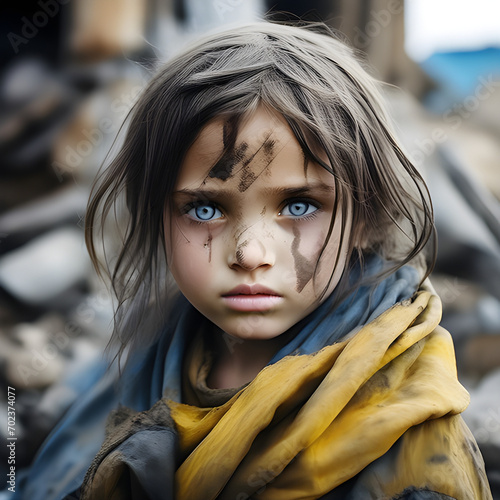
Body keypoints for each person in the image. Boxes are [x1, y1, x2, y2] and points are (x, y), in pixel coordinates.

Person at [12, 21, 492, 500]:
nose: (249, 254)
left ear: (364, 216)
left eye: (299, 205)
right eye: (205, 209)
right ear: (157, 214)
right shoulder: (142, 357)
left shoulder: (411, 439)